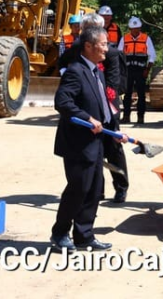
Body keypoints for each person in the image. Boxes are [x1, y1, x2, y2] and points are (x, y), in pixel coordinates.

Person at [51, 26, 126, 253]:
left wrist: (115, 130)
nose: (107, 48)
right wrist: (87, 118)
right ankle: (60, 233)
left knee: (94, 190)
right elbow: (62, 102)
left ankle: (84, 236)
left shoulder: (97, 71)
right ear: (89, 46)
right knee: (78, 189)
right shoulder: (75, 71)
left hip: (96, 142)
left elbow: (103, 105)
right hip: (77, 143)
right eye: (103, 44)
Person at [59, 14, 130, 203]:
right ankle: (97, 190)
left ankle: (121, 186)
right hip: (86, 106)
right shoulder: (76, 49)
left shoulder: (112, 53)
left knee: (113, 146)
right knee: (92, 151)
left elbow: (114, 81)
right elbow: (62, 65)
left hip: (108, 104)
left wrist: (107, 107)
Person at [118, 16, 156, 125]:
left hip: (141, 70)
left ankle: (140, 117)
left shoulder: (146, 38)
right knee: (127, 94)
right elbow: (119, 55)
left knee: (141, 95)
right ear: (130, 29)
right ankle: (126, 116)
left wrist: (147, 69)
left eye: (138, 28)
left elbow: (152, 55)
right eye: (133, 28)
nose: (136, 30)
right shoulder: (124, 39)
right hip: (128, 70)